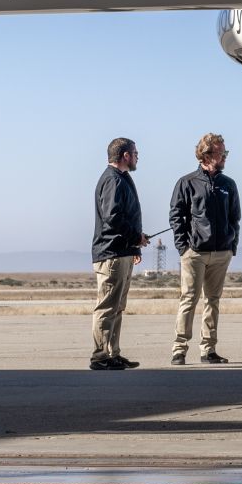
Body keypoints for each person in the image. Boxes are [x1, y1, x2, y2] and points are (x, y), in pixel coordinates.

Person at [168, 132, 241, 365]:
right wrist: (183, 247)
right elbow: (176, 216)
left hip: (222, 252)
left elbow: (235, 217)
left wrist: (232, 246)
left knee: (213, 300)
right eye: (222, 152)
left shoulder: (228, 184)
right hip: (195, 253)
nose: (225, 157)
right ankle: (179, 349)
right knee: (189, 298)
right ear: (208, 154)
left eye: (225, 152)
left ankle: (208, 349)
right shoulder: (187, 182)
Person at [91, 137, 148, 371]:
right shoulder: (113, 180)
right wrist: (135, 237)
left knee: (117, 307)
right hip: (112, 254)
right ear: (125, 155)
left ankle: (113, 353)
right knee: (107, 306)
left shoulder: (121, 179)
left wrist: (134, 246)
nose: (137, 157)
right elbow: (112, 218)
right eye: (135, 153)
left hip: (122, 252)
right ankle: (100, 356)